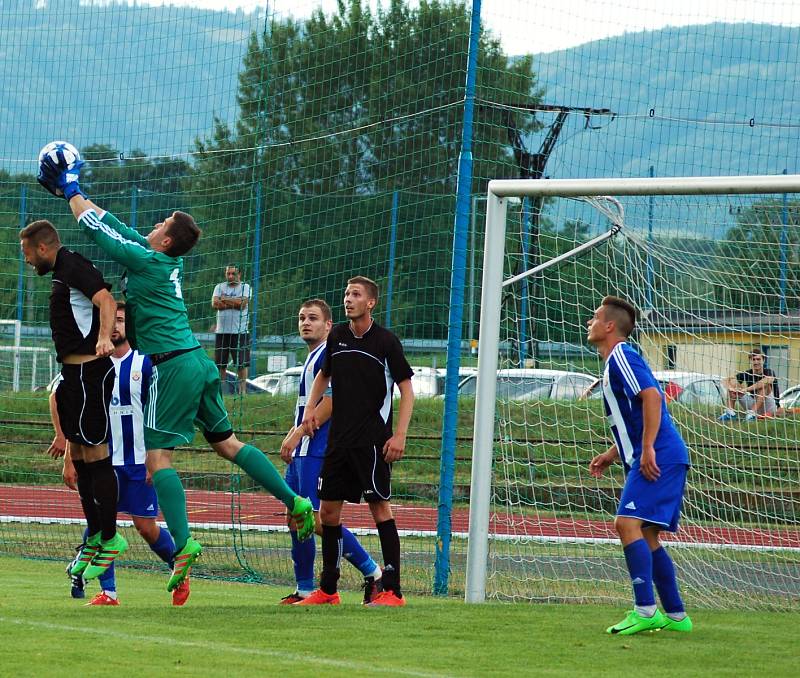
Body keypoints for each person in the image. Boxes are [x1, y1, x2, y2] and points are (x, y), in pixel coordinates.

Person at [38, 148, 314, 594]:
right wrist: (72, 192)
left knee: (158, 459)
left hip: (171, 367)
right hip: (197, 360)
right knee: (227, 443)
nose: (152, 227)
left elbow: (97, 229)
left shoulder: (147, 260)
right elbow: (114, 225)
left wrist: (69, 188)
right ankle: (295, 501)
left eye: (160, 224)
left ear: (165, 240)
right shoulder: (164, 260)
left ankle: (184, 542)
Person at [56, 302, 190, 606]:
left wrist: (156, 458)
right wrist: (68, 456)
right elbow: (66, 406)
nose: (114, 326)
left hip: (138, 460)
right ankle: (108, 592)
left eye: (120, 320)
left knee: (146, 527)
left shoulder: (146, 364)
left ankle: (178, 568)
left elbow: (161, 413)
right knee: (103, 524)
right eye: (110, 320)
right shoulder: (91, 364)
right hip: (101, 460)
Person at [20, 219, 128, 581]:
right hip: (71, 376)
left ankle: (111, 538)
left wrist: (103, 338)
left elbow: (106, 299)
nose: (27, 261)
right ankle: (95, 536)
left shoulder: (74, 265)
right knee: (80, 457)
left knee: (97, 454)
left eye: (27, 254)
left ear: (43, 248)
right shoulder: (59, 274)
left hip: (90, 374)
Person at [299, 276, 414, 607]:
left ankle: (392, 590)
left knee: (380, 508)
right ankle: (328, 590)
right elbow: (324, 375)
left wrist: (400, 434)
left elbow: (406, 390)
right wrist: (310, 410)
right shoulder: (336, 337)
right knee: (329, 513)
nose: (348, 299)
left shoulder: (386, 342)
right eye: (347, 294)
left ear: (371, 303)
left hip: (373, 442)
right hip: (338, 442)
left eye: (356, 295)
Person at [587, 296, 693, 635]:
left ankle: (645, 609)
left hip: (659, 453)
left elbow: (652, 396)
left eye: (595, 317)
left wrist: (647, 448)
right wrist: (613, 453)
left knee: (626, 524)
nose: (590, 322)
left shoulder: (621, 355)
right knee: (646, 535)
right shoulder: (614, 361)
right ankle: (677, 617)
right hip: (660, 452)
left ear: (609, 326)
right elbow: (632, 418)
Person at [279, 299, 383, 604]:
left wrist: (300, 433)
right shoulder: (311, 358)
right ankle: (305, 588)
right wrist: (293, 433)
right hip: (303, 450)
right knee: (295, 517)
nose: (305, 323)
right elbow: (306, 406)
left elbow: (334, 400)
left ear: (328, 325)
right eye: (301, 318)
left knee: (320, 519)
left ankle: (374, 573)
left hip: (320, 449)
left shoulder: (331, 353)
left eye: (313, 318)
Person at [212, 265, 252, 396]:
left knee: (241, 364)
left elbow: (242, 304)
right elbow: (214, 304)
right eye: (228, 273)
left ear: (239, 274)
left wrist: (224, 299)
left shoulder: (245, 287)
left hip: (240, 332)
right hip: (221, 332)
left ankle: (242, 392)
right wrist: (234, 302)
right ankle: (221, 392)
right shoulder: (219, 287)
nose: (230, 276)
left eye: (233, 274)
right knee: (220, 364)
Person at [719, 348, 779, 421]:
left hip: (768, 406)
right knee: (734, 383)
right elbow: (725, 380)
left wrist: (745, 389)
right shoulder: (747, 373)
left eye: (758, 359)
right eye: (753, 359)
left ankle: (752, 414)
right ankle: (730, 413)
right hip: (753, 403)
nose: (756, 362)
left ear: (763, 360)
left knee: (764, 385)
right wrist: (731, 388)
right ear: (750, 361)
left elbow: (766, 381)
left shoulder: (769, 372)